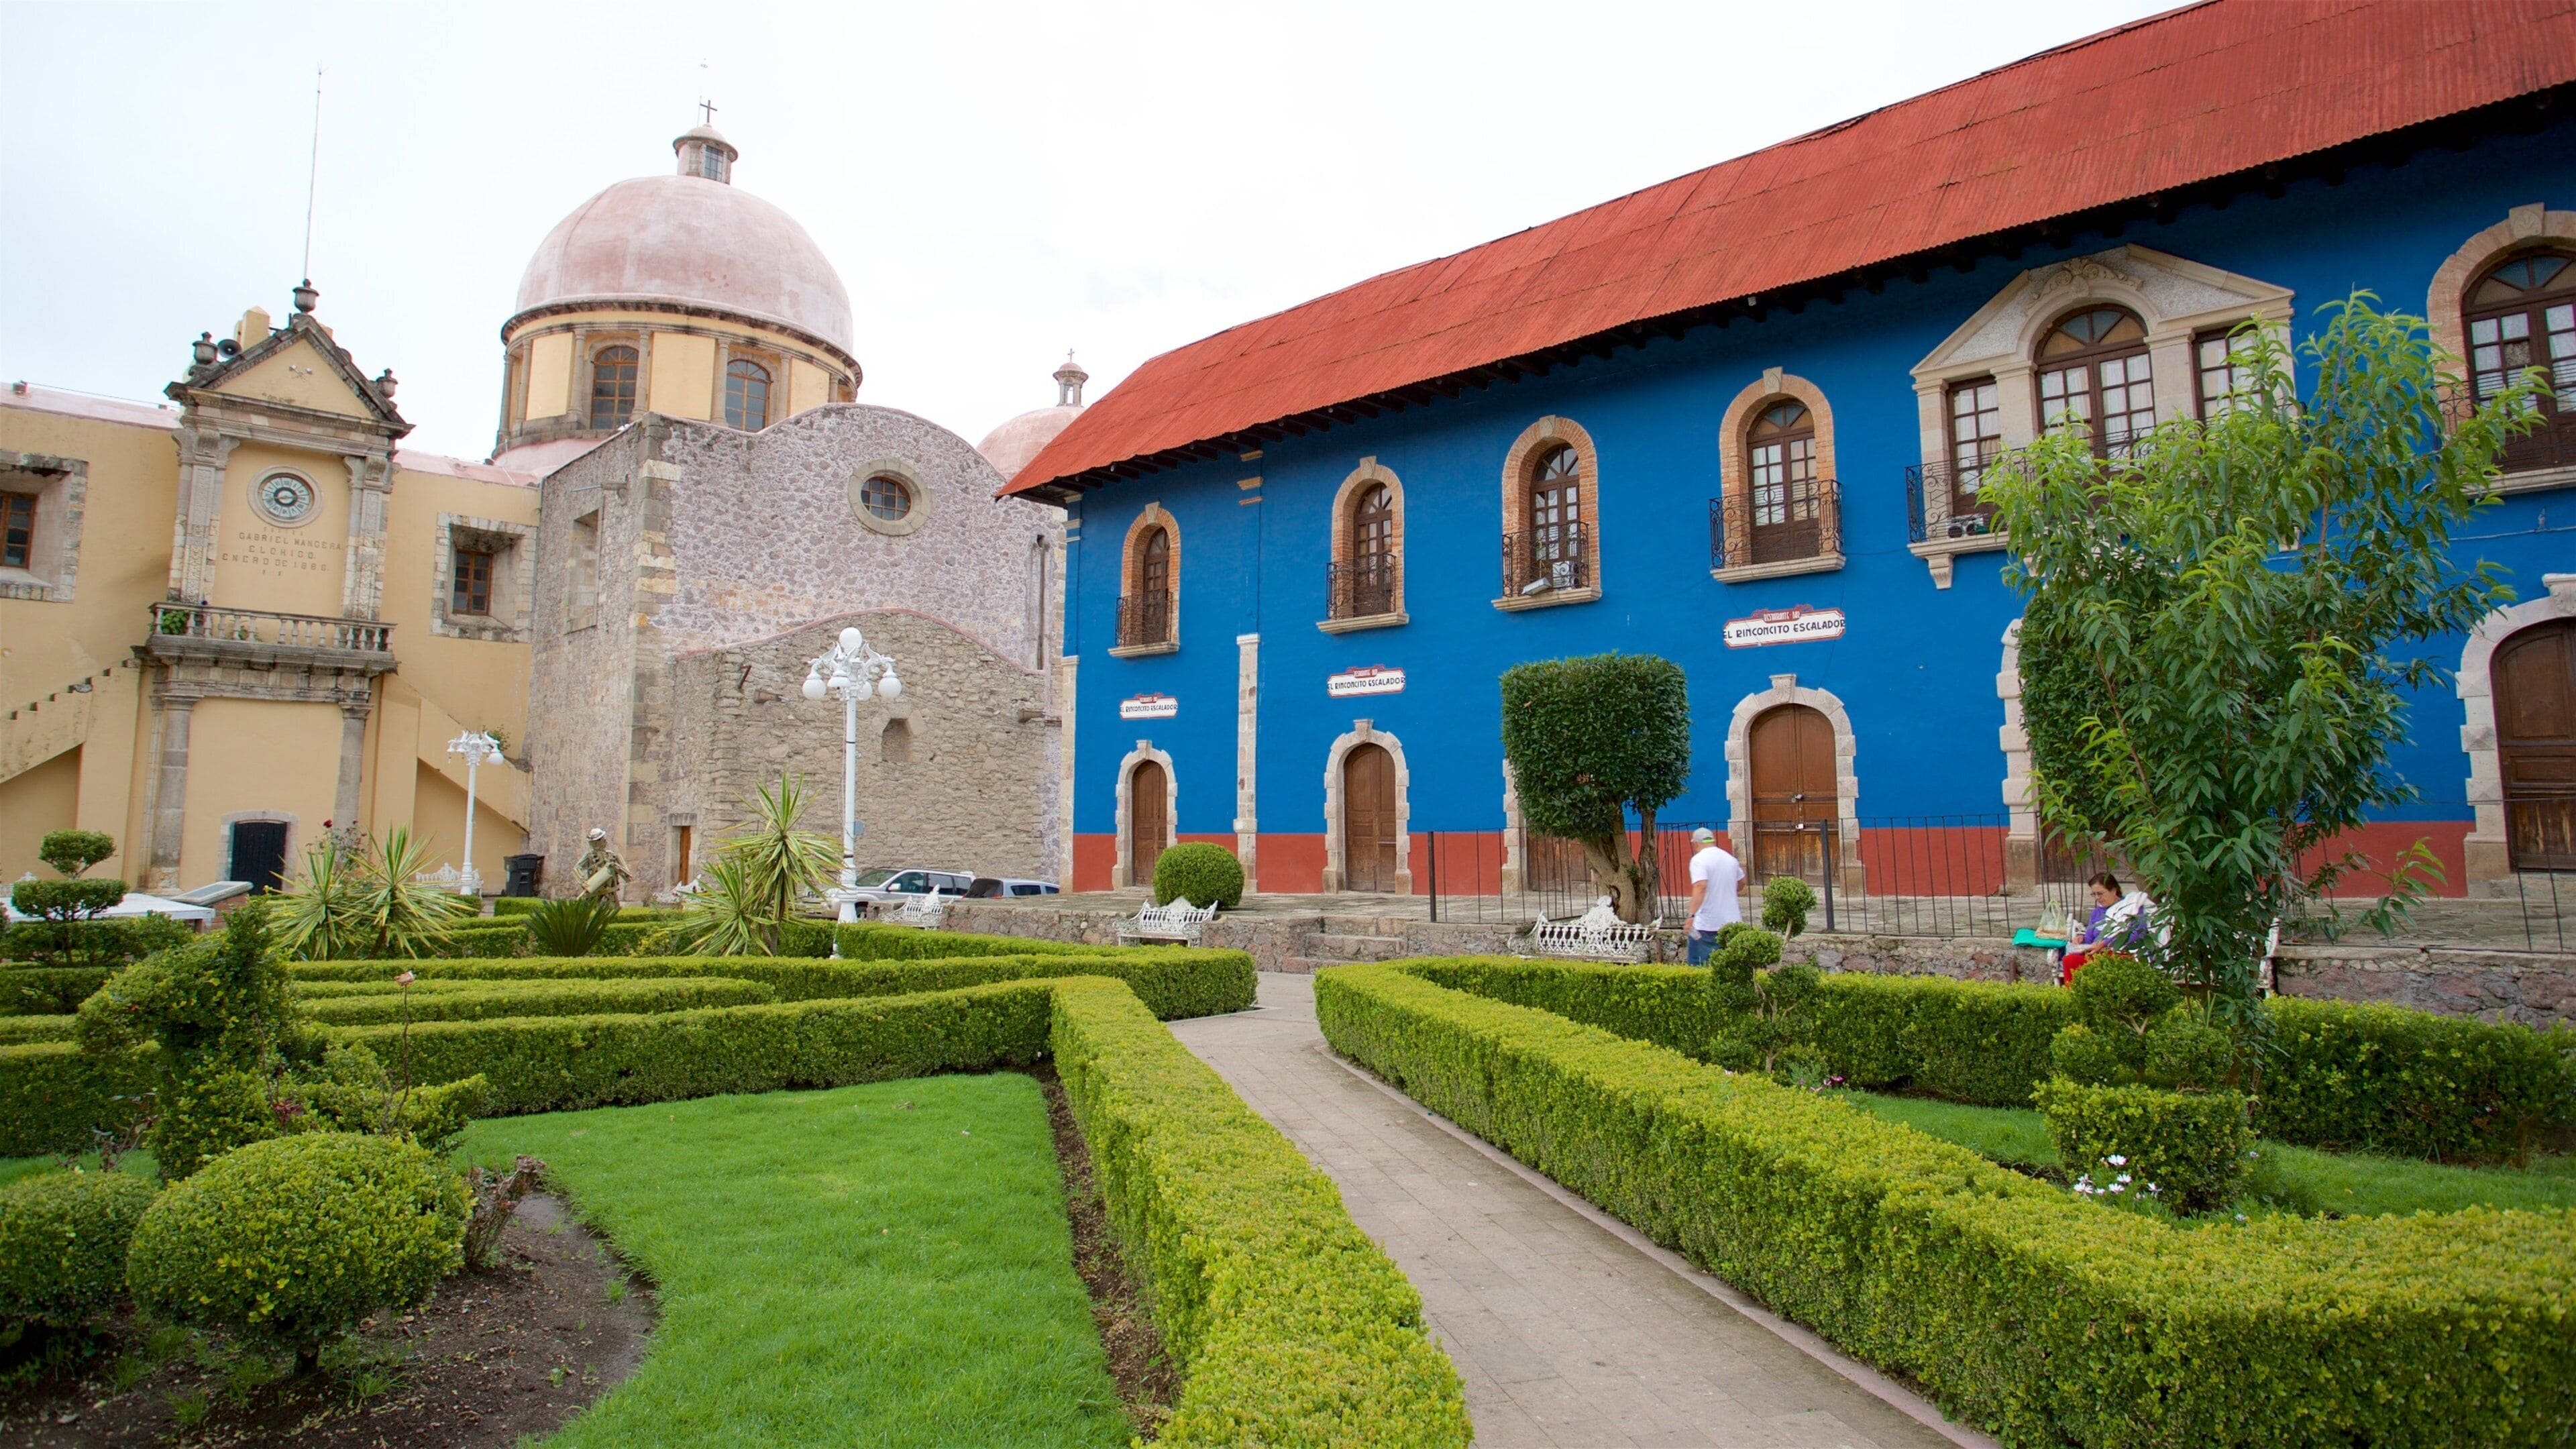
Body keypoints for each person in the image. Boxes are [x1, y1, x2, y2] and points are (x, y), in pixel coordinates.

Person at [2059, 871, 2152, 984]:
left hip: (2121, 954)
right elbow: (2090, 940)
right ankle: (2073, 998)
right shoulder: (2096, 913)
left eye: (2100, 894)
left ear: (2113, 890)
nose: (2097, 898)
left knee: (2109, 964)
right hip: (2097, 955)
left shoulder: (2132, 907)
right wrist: (2081, 939)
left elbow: (2138, 934)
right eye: (2094, 894)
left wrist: (2106, 943)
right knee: (2070, 960)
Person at [1684, 826, 1746, 965]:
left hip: (1707, 924)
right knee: (1729, 967)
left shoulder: (1699, 860)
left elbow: (1701, 886)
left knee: (1699, 965)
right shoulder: (1730, 859)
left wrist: (1691, 916)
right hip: (1732, 922)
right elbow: (1742, 883)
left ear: (1696, 843)